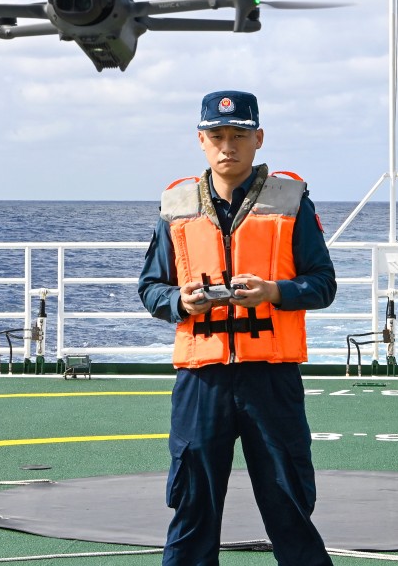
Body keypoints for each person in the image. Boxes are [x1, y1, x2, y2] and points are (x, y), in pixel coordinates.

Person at [138, 90, 337, 566]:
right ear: (202, 141)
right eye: (217, 136)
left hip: (271, 378)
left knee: (288, 501)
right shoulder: (177, 205)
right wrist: (177, 301)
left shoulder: (291, 201)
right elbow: (150, 287)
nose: (228, 146)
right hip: (201, 381)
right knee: (193, 506)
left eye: (239, 136)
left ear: (258, 139)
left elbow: (323, 284)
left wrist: (273, 292)